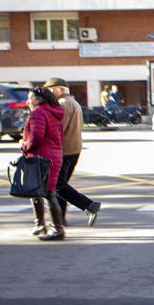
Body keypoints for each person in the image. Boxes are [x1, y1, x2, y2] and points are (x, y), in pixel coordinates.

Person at [44, 78, 101, 227]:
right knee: (60, 186)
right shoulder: (74, 102)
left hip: (64, 151)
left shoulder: (63, 105)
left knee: (57, 185)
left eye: (51, 90)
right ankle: (60, 219)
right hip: (74, 149)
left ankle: (89, 205)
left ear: (60, 89)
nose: (48, 93)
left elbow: (58, 129)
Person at [21, 87, 66, 241]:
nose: (28, 101)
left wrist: (24, 145)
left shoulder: (38, 113)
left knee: (47, 193)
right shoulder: (53, 112)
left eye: (30, 98)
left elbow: (37, 138)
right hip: (53, 155)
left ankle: (57, 229)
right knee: (38, 192)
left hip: (42, 157)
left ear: (38, 100)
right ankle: (40, 224)